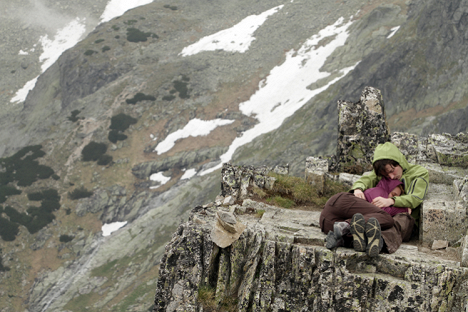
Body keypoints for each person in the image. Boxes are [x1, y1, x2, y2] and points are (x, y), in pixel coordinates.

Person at [320, 142, 429, 257]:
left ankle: (378, 241)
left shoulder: (419, 173)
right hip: (379, 214)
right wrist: (358, 189)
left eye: (392, 171)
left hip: (404, 215)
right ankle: (355, 238)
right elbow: (366, 179)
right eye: (387, 175)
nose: (391, 177)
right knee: (373, 219)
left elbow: (416, 197)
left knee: (398, 222)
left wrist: (391, 201)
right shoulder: (381, 173)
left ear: (398, 161)